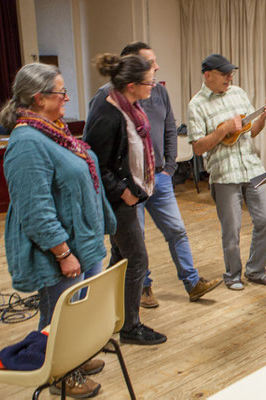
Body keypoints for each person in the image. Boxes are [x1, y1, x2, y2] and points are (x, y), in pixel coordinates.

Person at [0, 62, 116, 397]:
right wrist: (62, 252)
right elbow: (34, 209)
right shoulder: (26, 142)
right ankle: (61, 374)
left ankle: (74, 358)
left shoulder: (54, 131)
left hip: (84, 242)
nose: (66, 97)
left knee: (77, 312)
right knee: (57, 317)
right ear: (38, 98)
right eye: (61, 92)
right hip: (60, 251)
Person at [88, 42, 221, 308]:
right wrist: (122, 190)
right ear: (133, 75)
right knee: (135, 245)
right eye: (150, 64)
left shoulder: (158, 92)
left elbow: (169, 129)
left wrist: (169, 166)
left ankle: (192, 283)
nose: (156, 68)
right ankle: (143, 289)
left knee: (176, 231)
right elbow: (96, 155)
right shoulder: (107, 99)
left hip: (158, 178)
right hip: (129, 187)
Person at [83, 53, 167, 345]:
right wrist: (123, 190)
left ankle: (101, 316)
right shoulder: (108, 113)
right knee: (137, 258)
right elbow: (94, 162)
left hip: (131, 194)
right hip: (117, 200)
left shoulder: (130, 106)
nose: (152, 87)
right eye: (148, 82)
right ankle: (130, 327)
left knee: (120, 259)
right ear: (131, 84)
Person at [187, 54, 266, 290]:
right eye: (224, 73)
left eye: (231, 73)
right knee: (231, 229)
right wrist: (223, 129)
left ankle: (256, 270)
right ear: (208, 76)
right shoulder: (196, 105)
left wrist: (264, 117)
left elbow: (252, 130)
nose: (229, 77)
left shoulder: (238, 93)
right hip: (224, 173)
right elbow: (197, 148)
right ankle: (232, 275)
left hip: (252, 167)